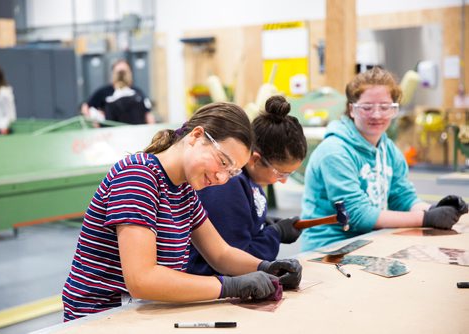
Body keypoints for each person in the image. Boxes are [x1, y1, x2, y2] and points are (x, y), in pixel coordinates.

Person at [63, 102, 302, 321]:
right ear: (196, 136)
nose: (221, 178)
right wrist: (229, 286)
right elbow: (141, 279)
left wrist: (266, 268)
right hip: (102, 319)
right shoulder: (138, 177)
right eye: (222, 162)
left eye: (231, 172)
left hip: (141, 313)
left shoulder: (183, 190)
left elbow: (220, 253)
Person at [300, 67, 468, 251]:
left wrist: (432, 210)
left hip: (369, 241)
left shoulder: (389, 150)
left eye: (385, 107)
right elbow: (357, 215)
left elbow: (402, 198)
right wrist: (426, 218)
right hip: (328, 249)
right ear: (352, 110)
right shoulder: (334, 152)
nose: (377, 115)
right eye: (367, 107)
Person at [187, 95, 307, 276]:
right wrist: (275, 234)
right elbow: (233, 259)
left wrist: (264, 226)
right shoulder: (228, 185)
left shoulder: (251, 182)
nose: (283, 181)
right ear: (255, 160)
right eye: (280, 173)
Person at [80, 59, 155, 124]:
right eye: (119, 73)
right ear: (113, 74)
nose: (121, 76)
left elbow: (148, 115)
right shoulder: (104, 93)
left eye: (124, 72)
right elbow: (86, 107)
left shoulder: (138, 94)